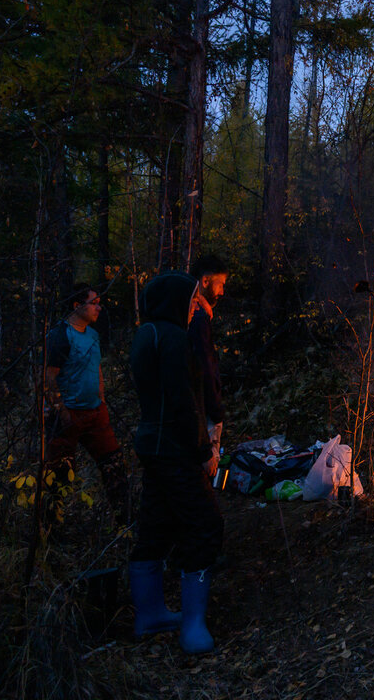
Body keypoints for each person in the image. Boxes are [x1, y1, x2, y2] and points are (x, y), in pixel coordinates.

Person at [128, 271, 224, 655]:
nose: (192, 309)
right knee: (204, 524)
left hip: (150, 444)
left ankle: (149, 615)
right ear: (175, 302)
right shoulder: (171, 340)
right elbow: (183, 401)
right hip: (175, 449)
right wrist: (203, 451)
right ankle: (192, 626)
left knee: (157, 522)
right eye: (189, 302)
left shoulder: (145, 333)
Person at [42, 284, 130, 528]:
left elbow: (97, 368)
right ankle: (52, 531)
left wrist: (101, 399)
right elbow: (48, 377)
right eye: (94, 302)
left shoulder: (92, 335)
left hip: (95, 414)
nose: (98, 307)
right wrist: (60, 409)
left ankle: (126, 522)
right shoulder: (60, 335)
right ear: (77, 306)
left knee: (114, 465)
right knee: (59, 476)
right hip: (67, 416)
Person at [188, 254, 228, 464]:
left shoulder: (195, 317)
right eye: (219, 284)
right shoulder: (197, 319)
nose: (222, 291)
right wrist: (216, 410)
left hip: (196, 410)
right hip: (202, 411)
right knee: (206, 467)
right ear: (205, 281)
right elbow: (204, 366)